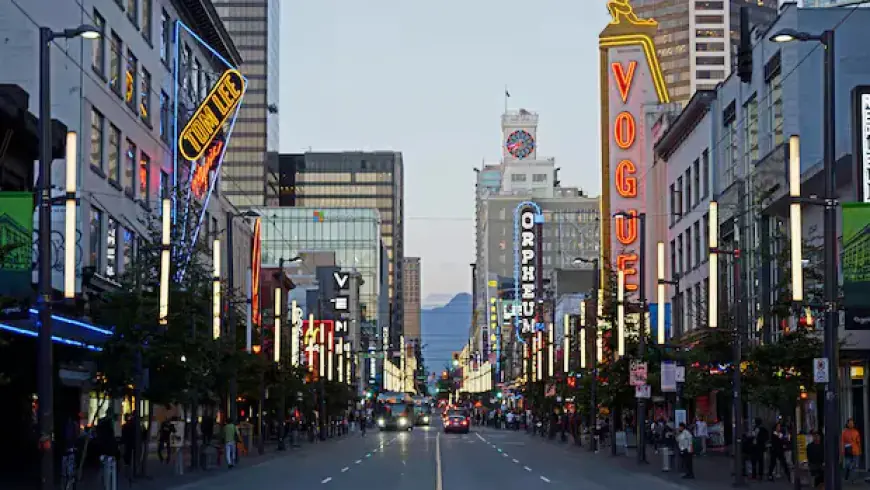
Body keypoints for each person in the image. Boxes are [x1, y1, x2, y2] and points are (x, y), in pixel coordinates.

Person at [842, 418, 862, 483]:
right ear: (847, 424)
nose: (851, 424)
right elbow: (842, 442)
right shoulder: (844, 432)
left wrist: (859, 450)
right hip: (848, 450)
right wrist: (842, 450)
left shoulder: (856, 432)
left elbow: (858, 442)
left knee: (854, 465)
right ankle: (847, 473)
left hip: (855, 451)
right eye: (849, 423)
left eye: (852, 423)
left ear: (853, 424)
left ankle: (853, 479)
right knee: (848, 464)